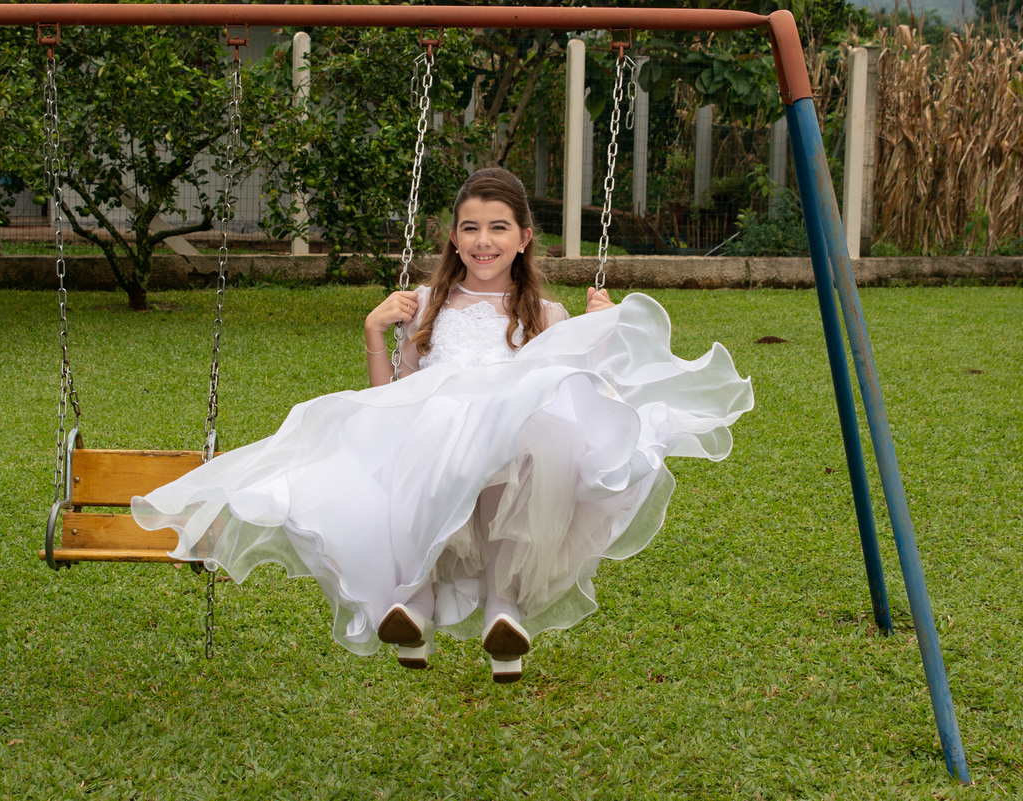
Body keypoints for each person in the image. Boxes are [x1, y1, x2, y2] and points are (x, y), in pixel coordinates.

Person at [132, 168, 753, 683]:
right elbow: (387, 401)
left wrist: (604, 330)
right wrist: (375, 330)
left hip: (523, 442)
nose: (484, 242)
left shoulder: (550, 313)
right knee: (439, 437)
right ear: (454, 240)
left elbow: (592, 396)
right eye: (470, 229)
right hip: (432, 433)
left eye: (498, 229)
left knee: (527, 437)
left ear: (525, 238)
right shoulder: (424, 307)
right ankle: (417, 602)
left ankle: (503, 613)